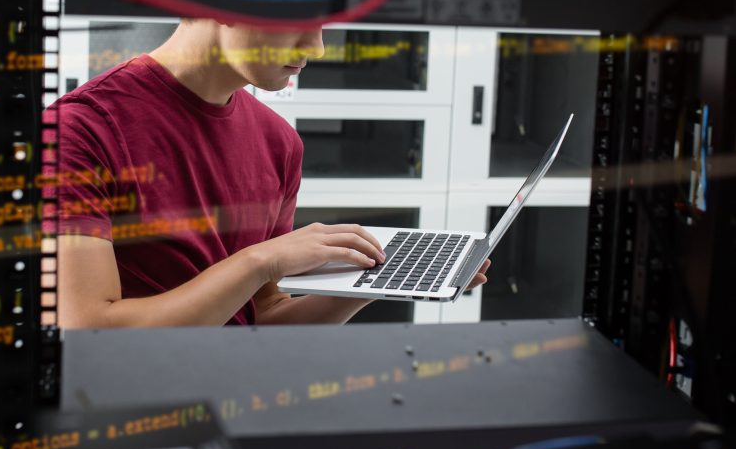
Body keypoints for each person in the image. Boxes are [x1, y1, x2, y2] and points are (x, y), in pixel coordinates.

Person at [54, 18, 489, 328]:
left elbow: (263, 316)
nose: (316, 47)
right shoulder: (80, 129)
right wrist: (262, 260)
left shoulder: (279, 141)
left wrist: (385, 280)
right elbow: (89, 331)